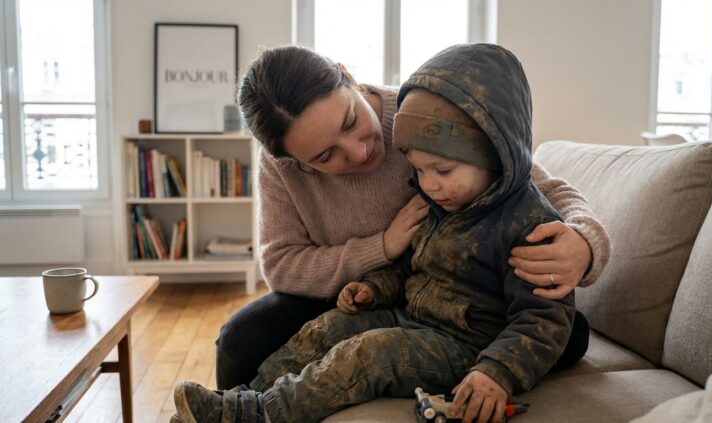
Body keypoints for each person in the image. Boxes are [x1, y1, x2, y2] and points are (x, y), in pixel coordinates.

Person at [174, 43, 578, 423]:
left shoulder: (435, 123)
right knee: (312, 331)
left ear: (349, 77)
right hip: (408, 310)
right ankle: (243, 404)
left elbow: (543, 193)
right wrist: (377, 274)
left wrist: (583, 242)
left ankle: (266, 413)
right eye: (325, 156)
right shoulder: (443, 197)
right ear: (297, 161)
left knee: (369, 353)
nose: (359, 152)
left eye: (351, 121)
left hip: (468, 336)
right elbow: (411, 265)